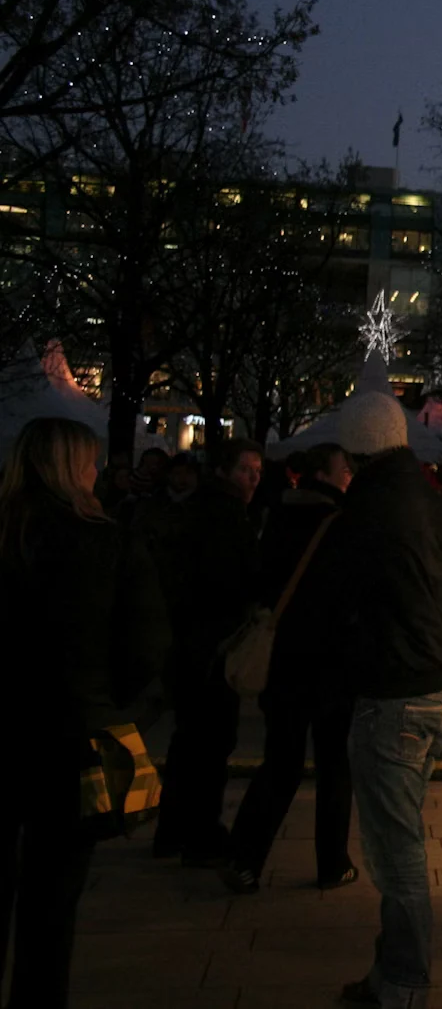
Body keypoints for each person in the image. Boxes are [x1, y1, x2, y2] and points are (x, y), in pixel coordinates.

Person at [0, 418, 170, 1006]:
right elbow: (146, 648)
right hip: (74, 737)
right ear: (75, 467)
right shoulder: (106, 540)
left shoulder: (7, 533)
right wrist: (105, 698)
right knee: (52, 904)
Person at [332, 391, 442, 1009]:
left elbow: (349, 597)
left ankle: (405, 981)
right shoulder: (423, 494)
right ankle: (391, 972)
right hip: (431, 685)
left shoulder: (369, 504)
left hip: (394, 691)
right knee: (397, 839)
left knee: (396, 850)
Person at [221, 443, 356, 894]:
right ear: (325, 474)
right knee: (335, 763)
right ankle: (332, 863)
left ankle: (245, 857)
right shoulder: (340, 523)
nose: (349, 476)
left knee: (281, 762)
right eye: (344, 469)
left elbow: (258, 580)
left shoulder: (277, 516)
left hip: (283, 660)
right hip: (331, 660)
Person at [155, 437, 263, 864]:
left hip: (192, 644)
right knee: (211, 740)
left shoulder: (203, 509)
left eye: (257, 472)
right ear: (224, 471)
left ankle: (173, 829)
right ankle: (201, 832)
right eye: (245, 470)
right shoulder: (225, 515)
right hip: (214, 645)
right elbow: (228, 581)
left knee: (190, 740)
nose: (253, 479)